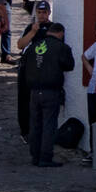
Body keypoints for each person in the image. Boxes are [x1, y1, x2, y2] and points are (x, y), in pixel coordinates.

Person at [23, 22, 75, 167]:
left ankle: (35, 155)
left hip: (34, 91)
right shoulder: (62, 47)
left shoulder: (34, 46)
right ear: (61, 33)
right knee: (49, 125)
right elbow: (69, 65)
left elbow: (24, 64)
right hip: (51, 91)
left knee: (35, 124)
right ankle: (45, 157)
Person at [15, 1, 52, 140]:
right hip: (27, 68)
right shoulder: (31, 27)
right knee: (24, 100)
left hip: (43, 70)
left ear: (48, 12)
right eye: (39, 12)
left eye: (44, 12)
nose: (42, 15)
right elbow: (20, 45)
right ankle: (25, 130)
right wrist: (33, 31)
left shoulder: (53, 28)